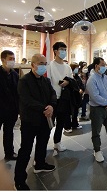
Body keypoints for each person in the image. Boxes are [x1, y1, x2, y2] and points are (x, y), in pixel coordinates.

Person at [14, 54, 57, 190]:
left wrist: (51, 106)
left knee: (42, 143)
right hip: (30, 121)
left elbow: (53, 94)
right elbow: (27, 100)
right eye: (41, 63)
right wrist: (45, 108)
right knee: (25, 150)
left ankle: (40, 164)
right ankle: (19, 180)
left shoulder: (46, 80)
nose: (44, 66)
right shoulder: (24, 81)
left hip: (45, 120)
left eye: (45, 63)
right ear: (33, 65)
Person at [46, 41, 73, 153]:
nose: (64, 52)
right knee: (48, 124)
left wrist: (67, 82)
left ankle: (57, 142)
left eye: (65, 50)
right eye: (62, 49)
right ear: (55, 51)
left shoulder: (67, 67)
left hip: (64, 99)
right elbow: (47, 82)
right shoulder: (50, 66)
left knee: (61, 123)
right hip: (52, 100)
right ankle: (43, 145)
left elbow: (71, 79)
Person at [0, 50, 19, 161]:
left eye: (13, 59)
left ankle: (9, 153)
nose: (12, 61)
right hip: (0, 108)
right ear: (3, 60)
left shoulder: (15, 74)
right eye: (10, 59)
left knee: (8, 132)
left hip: (11, 110)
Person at [68, 63, 84, 130]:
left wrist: (81, 89)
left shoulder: (78, 77)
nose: (77, 69)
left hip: (77, 97)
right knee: (69, 112)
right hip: (71, 97)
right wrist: (77, 90)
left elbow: (81, 85)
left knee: (75, 112)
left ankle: (75, 124)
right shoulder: (69, 76)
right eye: (76, 68)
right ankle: (68, 126)